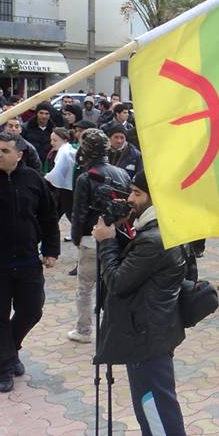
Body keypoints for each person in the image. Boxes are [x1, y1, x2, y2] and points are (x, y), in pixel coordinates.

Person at [91, 171, 187, 434]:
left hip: (146, 337)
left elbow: (118, 282)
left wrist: (107, 242)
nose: (130, 198)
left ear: (156, 198)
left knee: (156, 412)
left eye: (137, 193)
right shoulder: (160, 228)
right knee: (155, 408)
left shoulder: (154, 239)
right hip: (150, 331)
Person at [0, 132, 60, 393]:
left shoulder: (32, 179)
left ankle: (8, 349)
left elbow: (48, 216)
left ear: (18, 155)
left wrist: (52, 249)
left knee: (32, 309)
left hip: (28, 260)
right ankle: (4, 368)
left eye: (5, 151)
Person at [68, 129, 131, 344]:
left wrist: (76, 239)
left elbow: (79, 213)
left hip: (90, 238)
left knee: (85, 287)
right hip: (118, 237)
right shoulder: (122, 173)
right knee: (114, 286)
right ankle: (116, 330)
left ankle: (84, 330)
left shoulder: (86, 178)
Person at [21, 102, 54, 167]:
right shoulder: (26, 128)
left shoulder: (53, 130)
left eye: (46, 114)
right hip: (29, 164)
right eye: (41, 113)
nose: (44, 116)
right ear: (36, 113)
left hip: (46, 166)